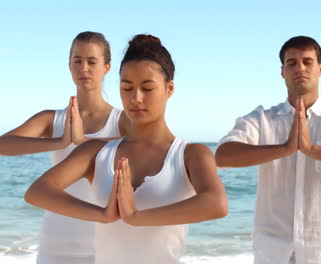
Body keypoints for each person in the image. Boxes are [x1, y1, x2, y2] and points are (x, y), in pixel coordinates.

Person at [24, 34, 228, 264]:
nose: (136, 98)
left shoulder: (191, 154)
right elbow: (37, 192)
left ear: (169, 89)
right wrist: (102, 215)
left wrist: (136, 217)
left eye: (147, 88)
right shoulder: (96, 152)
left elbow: (216, 204)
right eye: (127, 87)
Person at [216, 36, 321, 264]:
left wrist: (312, 149)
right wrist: (284, 148)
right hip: (272, 254)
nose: (300, 68)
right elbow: (223, 156)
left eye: (307, 62)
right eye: (292, 63)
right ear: (282, 71)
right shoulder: (262, 119)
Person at [0, 31, 128, 264]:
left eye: (92, 61)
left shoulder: (123, 121)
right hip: (55, 243)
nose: (84, 68)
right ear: (69, 66)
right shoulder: (53, 119)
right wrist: (59, 141)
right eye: (77, 61)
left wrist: (82, 142)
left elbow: (143, 150)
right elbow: (3, 145)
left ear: (107, 67)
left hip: (106, 244)